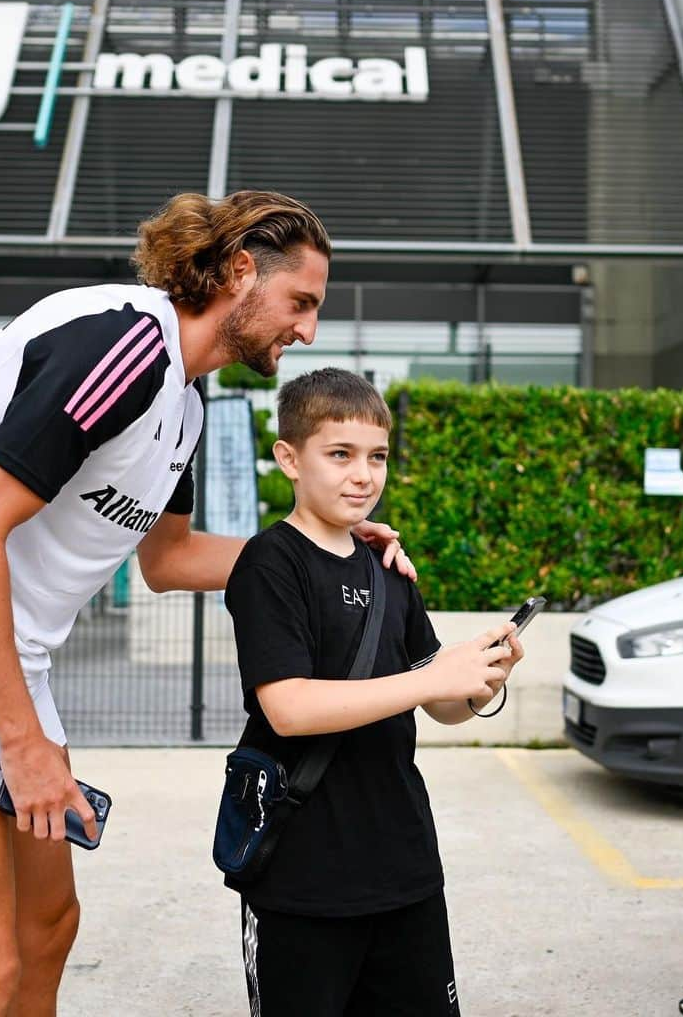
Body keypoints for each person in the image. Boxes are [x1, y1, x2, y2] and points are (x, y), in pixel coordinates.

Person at [0, 190, 415, 1017]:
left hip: (4, 660)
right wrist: (23, 745)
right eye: (301, 301)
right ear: (241, 271)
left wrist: (330, 546)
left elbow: (168, 562)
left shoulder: (186, 405)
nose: (307, 330)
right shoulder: (128, 343)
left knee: (48, 927)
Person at [222, 367, 526, 1017]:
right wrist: (429, 679)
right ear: (289, 458)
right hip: (302, 878)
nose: (363, 475)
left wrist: (477, 680)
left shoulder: (389, 566)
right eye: (340, 454)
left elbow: (438, 703)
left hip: (405, 868)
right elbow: (290, 707)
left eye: (378, 457)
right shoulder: (270, 563)